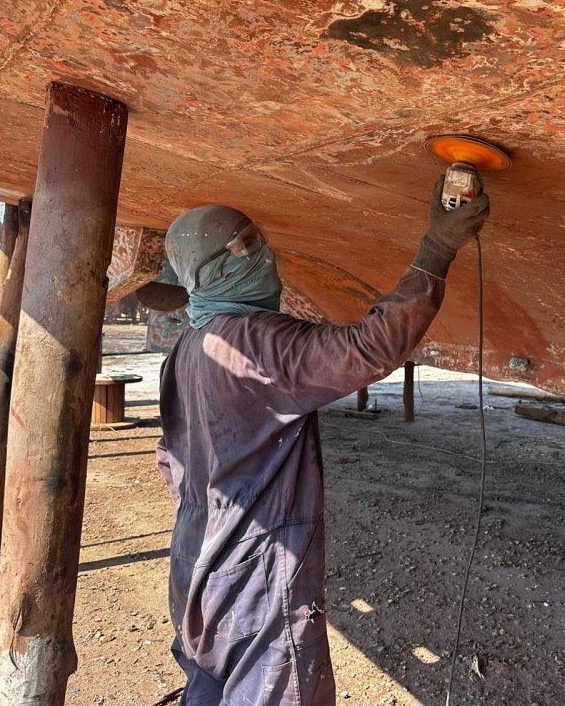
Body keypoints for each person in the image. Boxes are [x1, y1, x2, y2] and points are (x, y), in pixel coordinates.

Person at [155, 179, 489, 705]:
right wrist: (437, 249)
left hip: (194, 547)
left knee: (208, 680)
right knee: (272, 685)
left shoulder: (189, 345)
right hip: (255, 562)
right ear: (212, 271)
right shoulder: (256, 340)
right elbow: (368, 348)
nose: (265, 253)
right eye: (247, 246)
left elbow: (169, 454)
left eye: (257, 238)